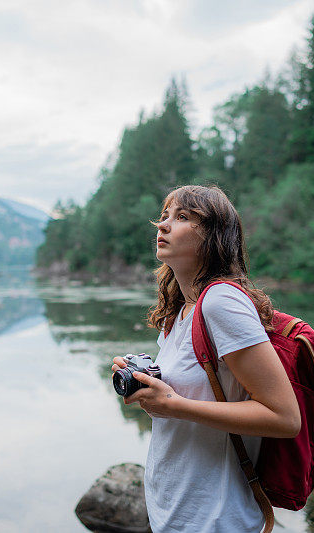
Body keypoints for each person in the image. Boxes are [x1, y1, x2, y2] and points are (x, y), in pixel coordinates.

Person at [111, 185, 301, 532]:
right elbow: (189, 394)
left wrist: (172, 404)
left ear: (214, 236)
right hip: (174, 509)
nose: (163, 226)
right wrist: (148, 386)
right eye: (164, 216)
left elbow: (285, 417)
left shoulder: (221, 303)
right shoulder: (179, 313)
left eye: (182, 217)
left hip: (215, 518)